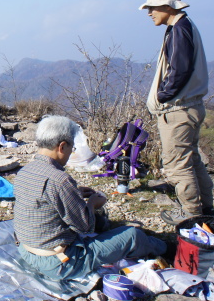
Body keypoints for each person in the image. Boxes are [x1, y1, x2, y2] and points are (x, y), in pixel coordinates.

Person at [13, 115, 166, 282]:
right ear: (62, 146)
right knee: (133, 236)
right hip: (58, 262)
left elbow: (44, 200)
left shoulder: (24, 171)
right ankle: (169, 247)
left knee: (103, 226)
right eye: (72, 148)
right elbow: (85, 228)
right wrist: (93, 204)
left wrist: (74, 192)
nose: (72, 152)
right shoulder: (60, 180)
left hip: (27, 251)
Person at [140, 0, 213, 225]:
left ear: (166, 6)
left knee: (177, 166)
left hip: (178, 111)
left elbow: (179, 70)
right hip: (190, 107)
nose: (149, 13)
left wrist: (163, 95)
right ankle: (206, 209)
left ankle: (192, 215)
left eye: (152, 8)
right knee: (191, 159)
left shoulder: (179, 30)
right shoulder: (183, 26)